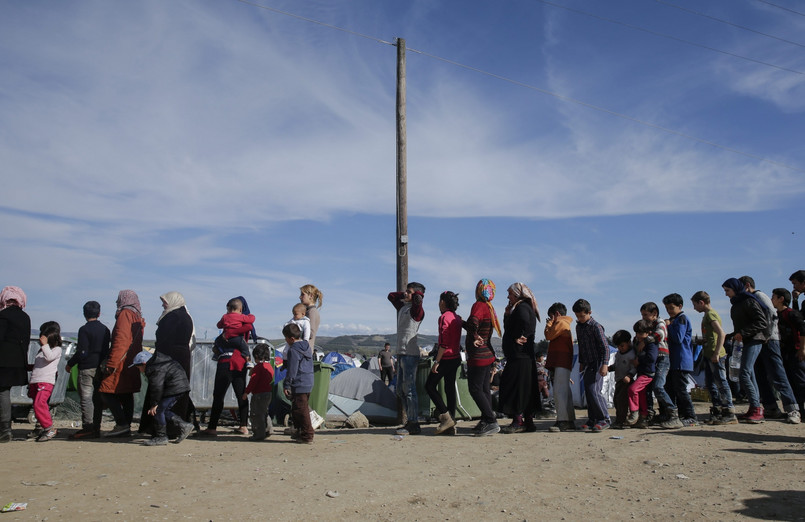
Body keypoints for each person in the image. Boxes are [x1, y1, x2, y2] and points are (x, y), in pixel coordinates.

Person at [739, 276, 799, 424]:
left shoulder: (759, 295)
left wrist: (767, 335)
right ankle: (771, 407)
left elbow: (772, 315)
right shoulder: (748, 299)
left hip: (769, 340)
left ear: (747, 285)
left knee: (777, 374)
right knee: (760, 375)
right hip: (757, 341)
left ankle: (792, 409)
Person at [139, 291, 195, 437]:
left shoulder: (172, 316)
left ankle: (160, 429)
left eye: (165, 301)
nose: (163, 304)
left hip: (167, 357)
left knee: (162, 390)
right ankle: (177, 427)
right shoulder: (186, 317)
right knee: (177, 392)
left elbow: (164, 338)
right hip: (182, 358)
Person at [201, 297, 254, 437]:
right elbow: (249, 325)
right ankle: (243, 426)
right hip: (239, 362)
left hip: (225, 362)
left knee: (218, 396)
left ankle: (212, 427)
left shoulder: (224, 331)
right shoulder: (242, 324)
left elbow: (218, 342)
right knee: (241, 395)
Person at [99, 290, 146, 438]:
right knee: (126, 394)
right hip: (132, 361)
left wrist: (111, 363)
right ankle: (125, 425)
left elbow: (121, 340)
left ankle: (122, 424)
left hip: (121, 362)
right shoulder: (137, 316)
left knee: (105, 391)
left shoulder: (125, 314)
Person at [722, 278, 769, 424]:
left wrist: (742, 332)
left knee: (744, 374)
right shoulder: (737, 304)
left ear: (736, 289)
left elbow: (761, 322)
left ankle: (757, 408)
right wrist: (731, 335)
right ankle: (754, 406)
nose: (726, 294)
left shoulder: (749, 301)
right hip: (746, 341)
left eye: (727, 291)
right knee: (750, 374)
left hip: (755, 339)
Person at [499, 283, 540, 434]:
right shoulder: (522, 307)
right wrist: (507, 315)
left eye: (510, 293)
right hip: (522, 357)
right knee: (525, 389)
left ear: (517, 294)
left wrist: (521, 336)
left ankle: (518, 421)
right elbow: (510, 327)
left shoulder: (522, 308)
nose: (508, 296)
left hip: (519, 356)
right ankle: (528, 421)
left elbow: (523, 321)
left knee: (513, 386)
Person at [65, 301, 110, 439]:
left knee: (86, 398)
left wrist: (70, 364)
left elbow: (82, 352)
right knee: (97, 399)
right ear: (99, 313)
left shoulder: (84, 330)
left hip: (86, 368)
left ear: (84, 314)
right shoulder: (105, 330)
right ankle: (96, 427)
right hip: (100, 368)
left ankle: (88, 427)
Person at [690, 291, 736, 425]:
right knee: (711, 384)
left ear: (701, 302)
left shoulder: (711, 314)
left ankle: (729, 411)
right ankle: (717, 410)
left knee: (721, 382)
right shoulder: (707, 316)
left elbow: (721, 334)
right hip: (708, 354)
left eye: (695, 305)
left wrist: (716, 353)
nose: (694, 308)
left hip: (716, 355)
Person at [132, 350, 194, 446]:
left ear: (144, 364)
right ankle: (184, 425)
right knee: (164, 410)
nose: (138, 369)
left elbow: (157, 387)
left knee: (158, 411)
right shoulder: (160, 362)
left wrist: (154, 404)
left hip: (175, 388)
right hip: (180, 386)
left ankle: (161, 437)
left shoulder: (154, 368)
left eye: (138, 367)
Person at [464, 279, 501, 436]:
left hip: (478, 355)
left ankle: (491, 421)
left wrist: (473, 334)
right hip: (487, 354)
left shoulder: (479, 305)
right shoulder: (489, 307)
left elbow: (474, 321)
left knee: (475, 389)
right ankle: (487, 418)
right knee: (485, 389)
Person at [388, 282, 425, 436]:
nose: (405, 294)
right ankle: (410, 420)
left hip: (410, 354)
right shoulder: (403, 307)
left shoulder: (416, 311)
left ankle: (413, 423)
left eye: (409, 292)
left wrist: (417, 295)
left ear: (416, 295)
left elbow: (417, 303)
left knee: (409, 390)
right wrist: (405, 294)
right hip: (401, 353)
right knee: (400, 390)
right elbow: (391, 296)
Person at [425, 291, 462, 435]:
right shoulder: (456, 318)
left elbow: (444, 343)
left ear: (442, 302)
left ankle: (446, 417)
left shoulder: (444, 317)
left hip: (445, 358)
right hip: (456, 357)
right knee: (449, 388)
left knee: (429, 385)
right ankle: (451, 422)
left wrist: (436, 361)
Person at [573, 298, 611, 432]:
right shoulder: (579, 327)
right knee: (588, 392)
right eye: (577, 316)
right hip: (588, 363)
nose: (580, 318)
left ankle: (604, 419)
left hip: (598, 362)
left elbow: (605, 347)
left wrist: (605, 364)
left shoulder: (596, 326)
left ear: (589, 312)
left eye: (582, 316)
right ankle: (592, 419)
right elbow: (582, 346)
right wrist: (581, 362)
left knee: (594, 390)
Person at [660, 293, 697, 428]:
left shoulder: (681, 319)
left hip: (681, 361)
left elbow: (678, 338)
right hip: (673, 362)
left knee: (681, 390)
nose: (669, 311)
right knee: (671, 389)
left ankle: (690, 416)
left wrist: (669, 326)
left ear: (679, 306)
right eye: (667, 308)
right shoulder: (675, 319)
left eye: (671, 308)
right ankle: (677, 415)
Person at [0, 286, 31, 443]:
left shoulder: (3, 316)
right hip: (19, 361)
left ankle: (5, 428)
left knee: (2, 392)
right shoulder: (25, 317)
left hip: (3, 361)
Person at [771, 288, 805, 418]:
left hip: (796, 352)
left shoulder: (791, 314)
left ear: (781, 299)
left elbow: (803, 330)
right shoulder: (777, 315)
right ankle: (799, 409)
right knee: (791, 381)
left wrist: (802, 349)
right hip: (785, 352)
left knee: (800, 381)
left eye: (774, 297)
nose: (771, 299)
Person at [28, 321, 63, 442]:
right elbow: (39, 364)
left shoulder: (57, 350)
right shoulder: (41, 350)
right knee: (37, 405)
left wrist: (44, 345)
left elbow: (49, 357)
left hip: (46, 382)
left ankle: (49, 428)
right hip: (36, 381)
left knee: (39, 404)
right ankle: (42, 427)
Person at [545, 302, 575, 432]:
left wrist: (549, 324)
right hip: (562, 361)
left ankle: (563, 420)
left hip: (561, 360)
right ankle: (569, 419)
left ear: (557, 314)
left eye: (551, 316)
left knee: (559, 391)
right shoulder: (565, 324)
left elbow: (548, 335)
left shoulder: (561, 323)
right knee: (564, 391)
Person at [641, 302, 672, 426]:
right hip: (653, 359)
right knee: (650, 387)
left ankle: (672, 413)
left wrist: (646, 341)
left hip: (662, 357)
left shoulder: (660, 323)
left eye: (645, 314)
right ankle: (660, 413)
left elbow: (660, 334)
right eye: (642, 315)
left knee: (658, 386)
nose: (643, 317)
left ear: (654, 314)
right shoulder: (648, 325)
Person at [283, 323, 314, 444]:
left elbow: (292, 369)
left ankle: (307, 435)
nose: (285, 340)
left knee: (301, 410)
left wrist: (287, 384)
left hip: (299, 382)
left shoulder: (294, 350)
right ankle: (299, 432)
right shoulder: (307, 346)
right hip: (308, 381)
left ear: (291, 338)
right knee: (297, 409)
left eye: (285, 338)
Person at [627, 319, 657, 429]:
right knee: (641, 395)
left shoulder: (651, 344)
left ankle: (634, 412)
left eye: (640, 333)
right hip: (641, 372)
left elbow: (652, 358)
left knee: (632, 389)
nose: (638, 336)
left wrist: (639, 360)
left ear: (648, 333)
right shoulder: (638, 343)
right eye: (636, 333)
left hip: (647, 373)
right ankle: (643, 417)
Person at [242, 343, 275, 441]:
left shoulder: (258, 367)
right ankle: (268, 429)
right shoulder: (269, 366)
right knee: (264, 412)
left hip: (258, 394)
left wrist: (246, 392)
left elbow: (253, 381)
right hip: (268, 393)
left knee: (256, 414)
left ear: (256, 356)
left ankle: (258, 434)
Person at [609, 330, 636, 429]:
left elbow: (634, 368)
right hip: (619, 381)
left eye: (622, 345)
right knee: (616, 400)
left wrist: (629, 376)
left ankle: (621, 421)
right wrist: (609, 368)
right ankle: (620, 419)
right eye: (618, 346)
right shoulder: (618, 354)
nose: (620, 348)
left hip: (627, 382)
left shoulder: (632, 354)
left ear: (629, 343)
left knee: (622, 401)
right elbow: (616, 365)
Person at [299, 284, 323, 351]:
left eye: (303, 294)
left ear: (311, 296)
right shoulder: (309, 311)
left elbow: (310, 333)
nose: (300, 297)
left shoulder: (311, 312)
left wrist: (293, 332)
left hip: (304, 351)